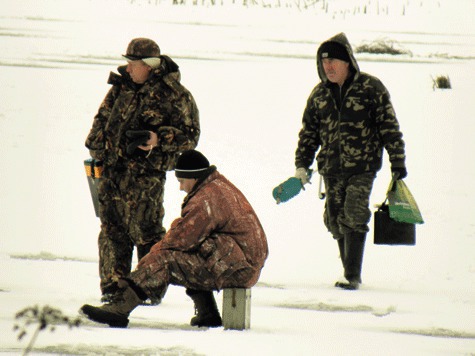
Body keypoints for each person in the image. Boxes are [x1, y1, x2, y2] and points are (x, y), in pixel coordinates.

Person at [80, 150, 269, 328]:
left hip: (237, 268)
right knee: (190, 251)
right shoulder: (217, 186)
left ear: (194, 177)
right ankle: (207, 313)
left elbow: (181, 238)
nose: (180, 187)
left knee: (166, 259)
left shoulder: (206, 199)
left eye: (182, 181)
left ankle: (119, 309)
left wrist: (150, 258)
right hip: (238, 262)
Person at [85, 38, 200, 303]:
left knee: (146, 230)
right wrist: (97, 148)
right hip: (112, 173)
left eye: (133, 64)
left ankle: (148, 289)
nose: (128, 68)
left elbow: (191, 136)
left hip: (146, 176)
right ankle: (113, 287)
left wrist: (158, 138)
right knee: (112, 229)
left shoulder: (174, 94)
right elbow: (100, 121)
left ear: (149, 65)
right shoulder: (120, 88)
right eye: (128, 62)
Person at [294, 33, 407, 290]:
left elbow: (389, 128)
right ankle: (349, 270)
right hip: (331, 168)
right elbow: (308, 134)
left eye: (333, 61)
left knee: (354, 213)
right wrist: (302, 165)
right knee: (335, 220)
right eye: (324, 62)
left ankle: (351, 276)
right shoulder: (319, 95)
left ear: (348, 62)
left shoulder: (371, 89)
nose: (328, 67)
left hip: (362, 167)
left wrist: (397, 161)